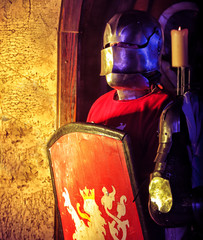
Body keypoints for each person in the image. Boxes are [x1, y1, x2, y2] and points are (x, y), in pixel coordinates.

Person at [87, 10, 173, 239]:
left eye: (126, 44)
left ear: (152, 47)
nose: (115, 50)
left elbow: (152, 183)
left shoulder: (163, 106)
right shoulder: (99, 105)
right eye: (111, 43)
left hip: (137, 219)